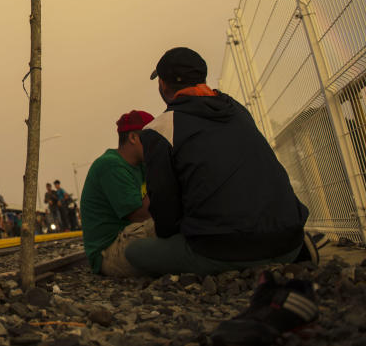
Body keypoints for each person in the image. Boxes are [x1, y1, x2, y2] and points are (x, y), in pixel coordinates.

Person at [125, 47, 311, 276]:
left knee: (134, 251)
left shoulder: (160, 130)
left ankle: (242, 259)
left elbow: (165, 215)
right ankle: (293, 249)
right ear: (202, 78)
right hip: (289, 240)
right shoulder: (238, 111)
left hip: (223, 249)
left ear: (162, 85)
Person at [81, 110, 156, 277]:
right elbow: (141, 215)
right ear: (133, 138)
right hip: (109, 252)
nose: (156, 145)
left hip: (129, 238)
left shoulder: (141, 166)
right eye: (152, 139)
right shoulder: (111, 166)